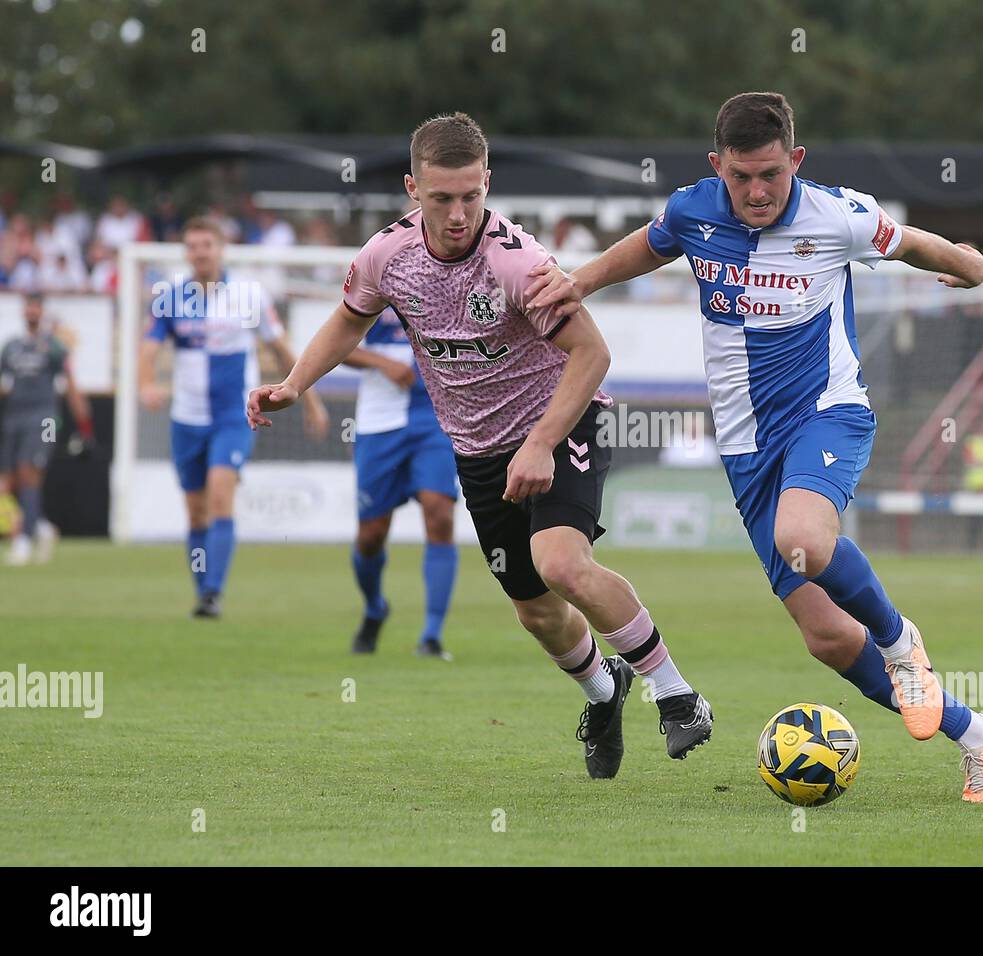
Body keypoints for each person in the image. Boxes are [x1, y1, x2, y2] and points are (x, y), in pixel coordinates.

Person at [526, 92, 983, 803]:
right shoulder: (694, 210)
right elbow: (649, 244)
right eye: (741, 176)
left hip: (826, 414)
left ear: (797, 162)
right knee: (826, 639)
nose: (756, 192)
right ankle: (977, 737)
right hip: (746, 448)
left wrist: (970, 266)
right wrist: (578, 281)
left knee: (804, 541)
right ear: (717, 166)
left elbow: (914, 244)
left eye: (772, 175)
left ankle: (903, 644)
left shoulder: (838, 215)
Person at [247, 112, 712, 780]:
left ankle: (677, 695)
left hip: (563, 422)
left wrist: (542, 443)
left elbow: (592, 353)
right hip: (479, 451)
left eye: (472, 195)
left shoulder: (518, 262)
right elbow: (348, 320)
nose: (460, 212)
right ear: (414, 188)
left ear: (487, 182)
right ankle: (604, 695)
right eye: (443, 198)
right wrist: (294, 384)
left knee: (560, 563)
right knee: (538, 615)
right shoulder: (387, 257)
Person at [139, 217, 329, 618]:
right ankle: (202, 589)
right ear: (186, 252)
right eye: (192, 246)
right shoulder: (169, 298)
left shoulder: (248, 295)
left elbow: (281, 349)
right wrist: (146, 383)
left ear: (221, 248)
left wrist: (310, 400)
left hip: (232, 417)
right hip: (186, 419)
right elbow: (149, 348)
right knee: (195, 509)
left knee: (221, 493)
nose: (200, 252)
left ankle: (212, 594)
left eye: (207, 244)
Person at [342, 306, 459, 659]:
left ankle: (432, 635)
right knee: (371, 535)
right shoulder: (374, 281)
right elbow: (339, 347)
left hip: (436, 422)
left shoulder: (450, 280)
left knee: (440, 515)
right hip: (379, 426)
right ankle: (375, 607)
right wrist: (383, 363)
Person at [0, 293, 93, 565]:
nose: (31, 311)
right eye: (27, 307)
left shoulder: (54, 347)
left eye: (36, 307)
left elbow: (71, 385)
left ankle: (24, 540)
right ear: (23, 311)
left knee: (30, 471)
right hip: (15, 416)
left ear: (42, 312)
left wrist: (85, 426)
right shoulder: (11, 348)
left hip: (46, 419)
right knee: (10, 480)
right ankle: (40, 526)